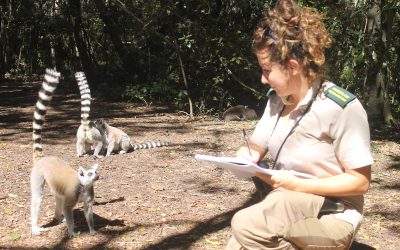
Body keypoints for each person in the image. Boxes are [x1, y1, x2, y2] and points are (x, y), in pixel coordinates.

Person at [225, 0, 373, 249]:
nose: (262, 79)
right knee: (238, 240)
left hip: (333, 208)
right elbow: (254, 149)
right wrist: (244, 158)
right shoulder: (275, 103)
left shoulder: (339, 107)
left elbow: (360, 182)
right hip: (286, 200)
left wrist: (297, 184)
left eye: (266, 70)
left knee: (246, 226)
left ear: (292, 67)